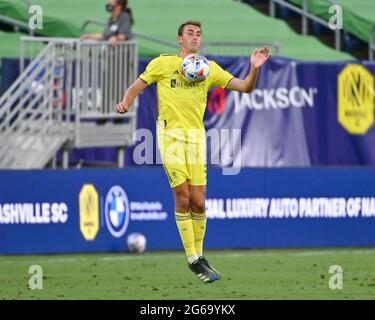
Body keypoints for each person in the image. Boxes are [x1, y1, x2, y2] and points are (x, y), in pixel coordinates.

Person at [116, 21, 270, 283]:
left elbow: (246, 87)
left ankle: (200, 256)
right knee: (183, 195)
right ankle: (192, 259)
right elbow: (137, 86)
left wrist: (254, 69)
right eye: (190, 33)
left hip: (196, 140)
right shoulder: (162, 64)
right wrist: (125, 102)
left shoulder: (209, 69)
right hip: (170, 137)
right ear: (179, 39)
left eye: (199, 34)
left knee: (199, 201)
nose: (195, 37)